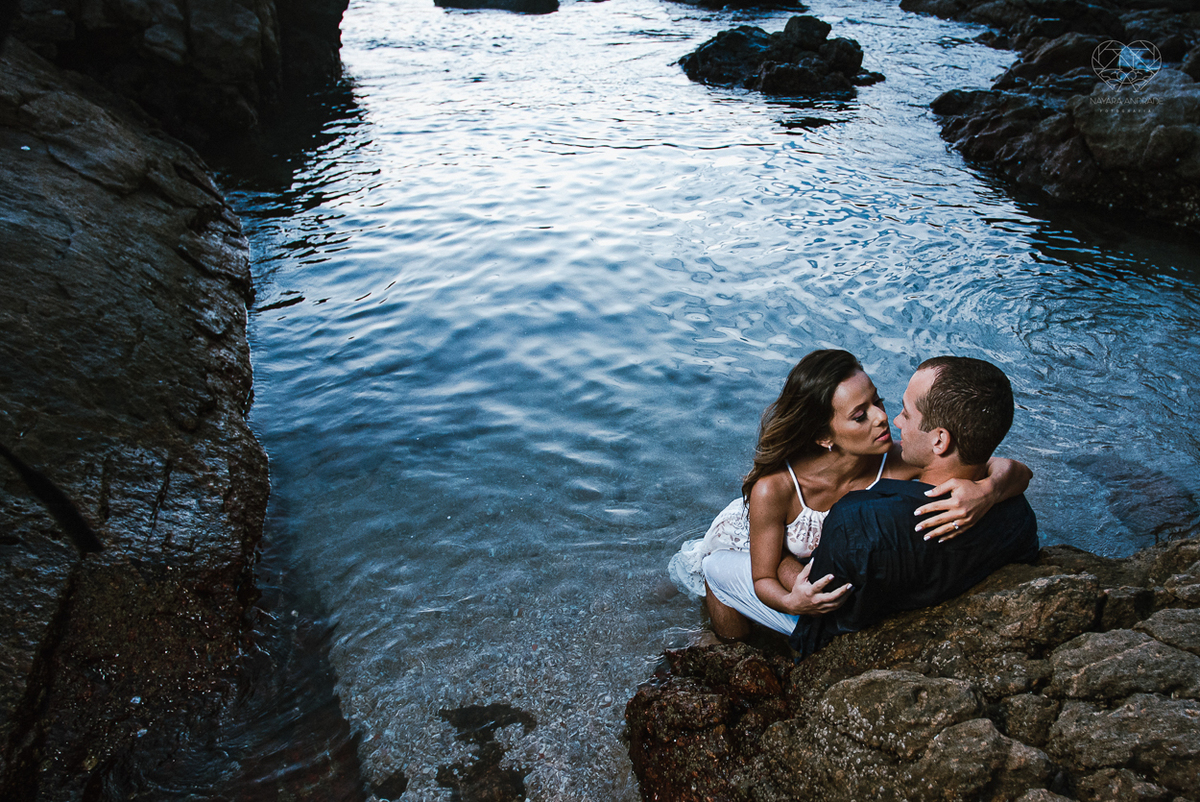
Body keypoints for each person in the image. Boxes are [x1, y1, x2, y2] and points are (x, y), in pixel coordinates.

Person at [667, 349, 1031, 640]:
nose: (883, 418)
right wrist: (790, 601)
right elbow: (765, 574)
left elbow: (1008, 467)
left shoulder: (901, 459)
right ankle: (726, 647)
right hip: (747, 536)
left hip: (804, 555)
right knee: (713, 570)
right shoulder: (774, 488)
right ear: (824, 436)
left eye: (879, 401)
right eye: (860, 416)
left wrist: (987, 491)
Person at [787, 355, 1038, 657]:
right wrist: (991, 488)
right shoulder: (1017, 515)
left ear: (939, 441)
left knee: (718, 566)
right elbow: (1015, 472)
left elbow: (817, 620)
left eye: (906, 414)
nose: (894, 421)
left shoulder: (858, 523)